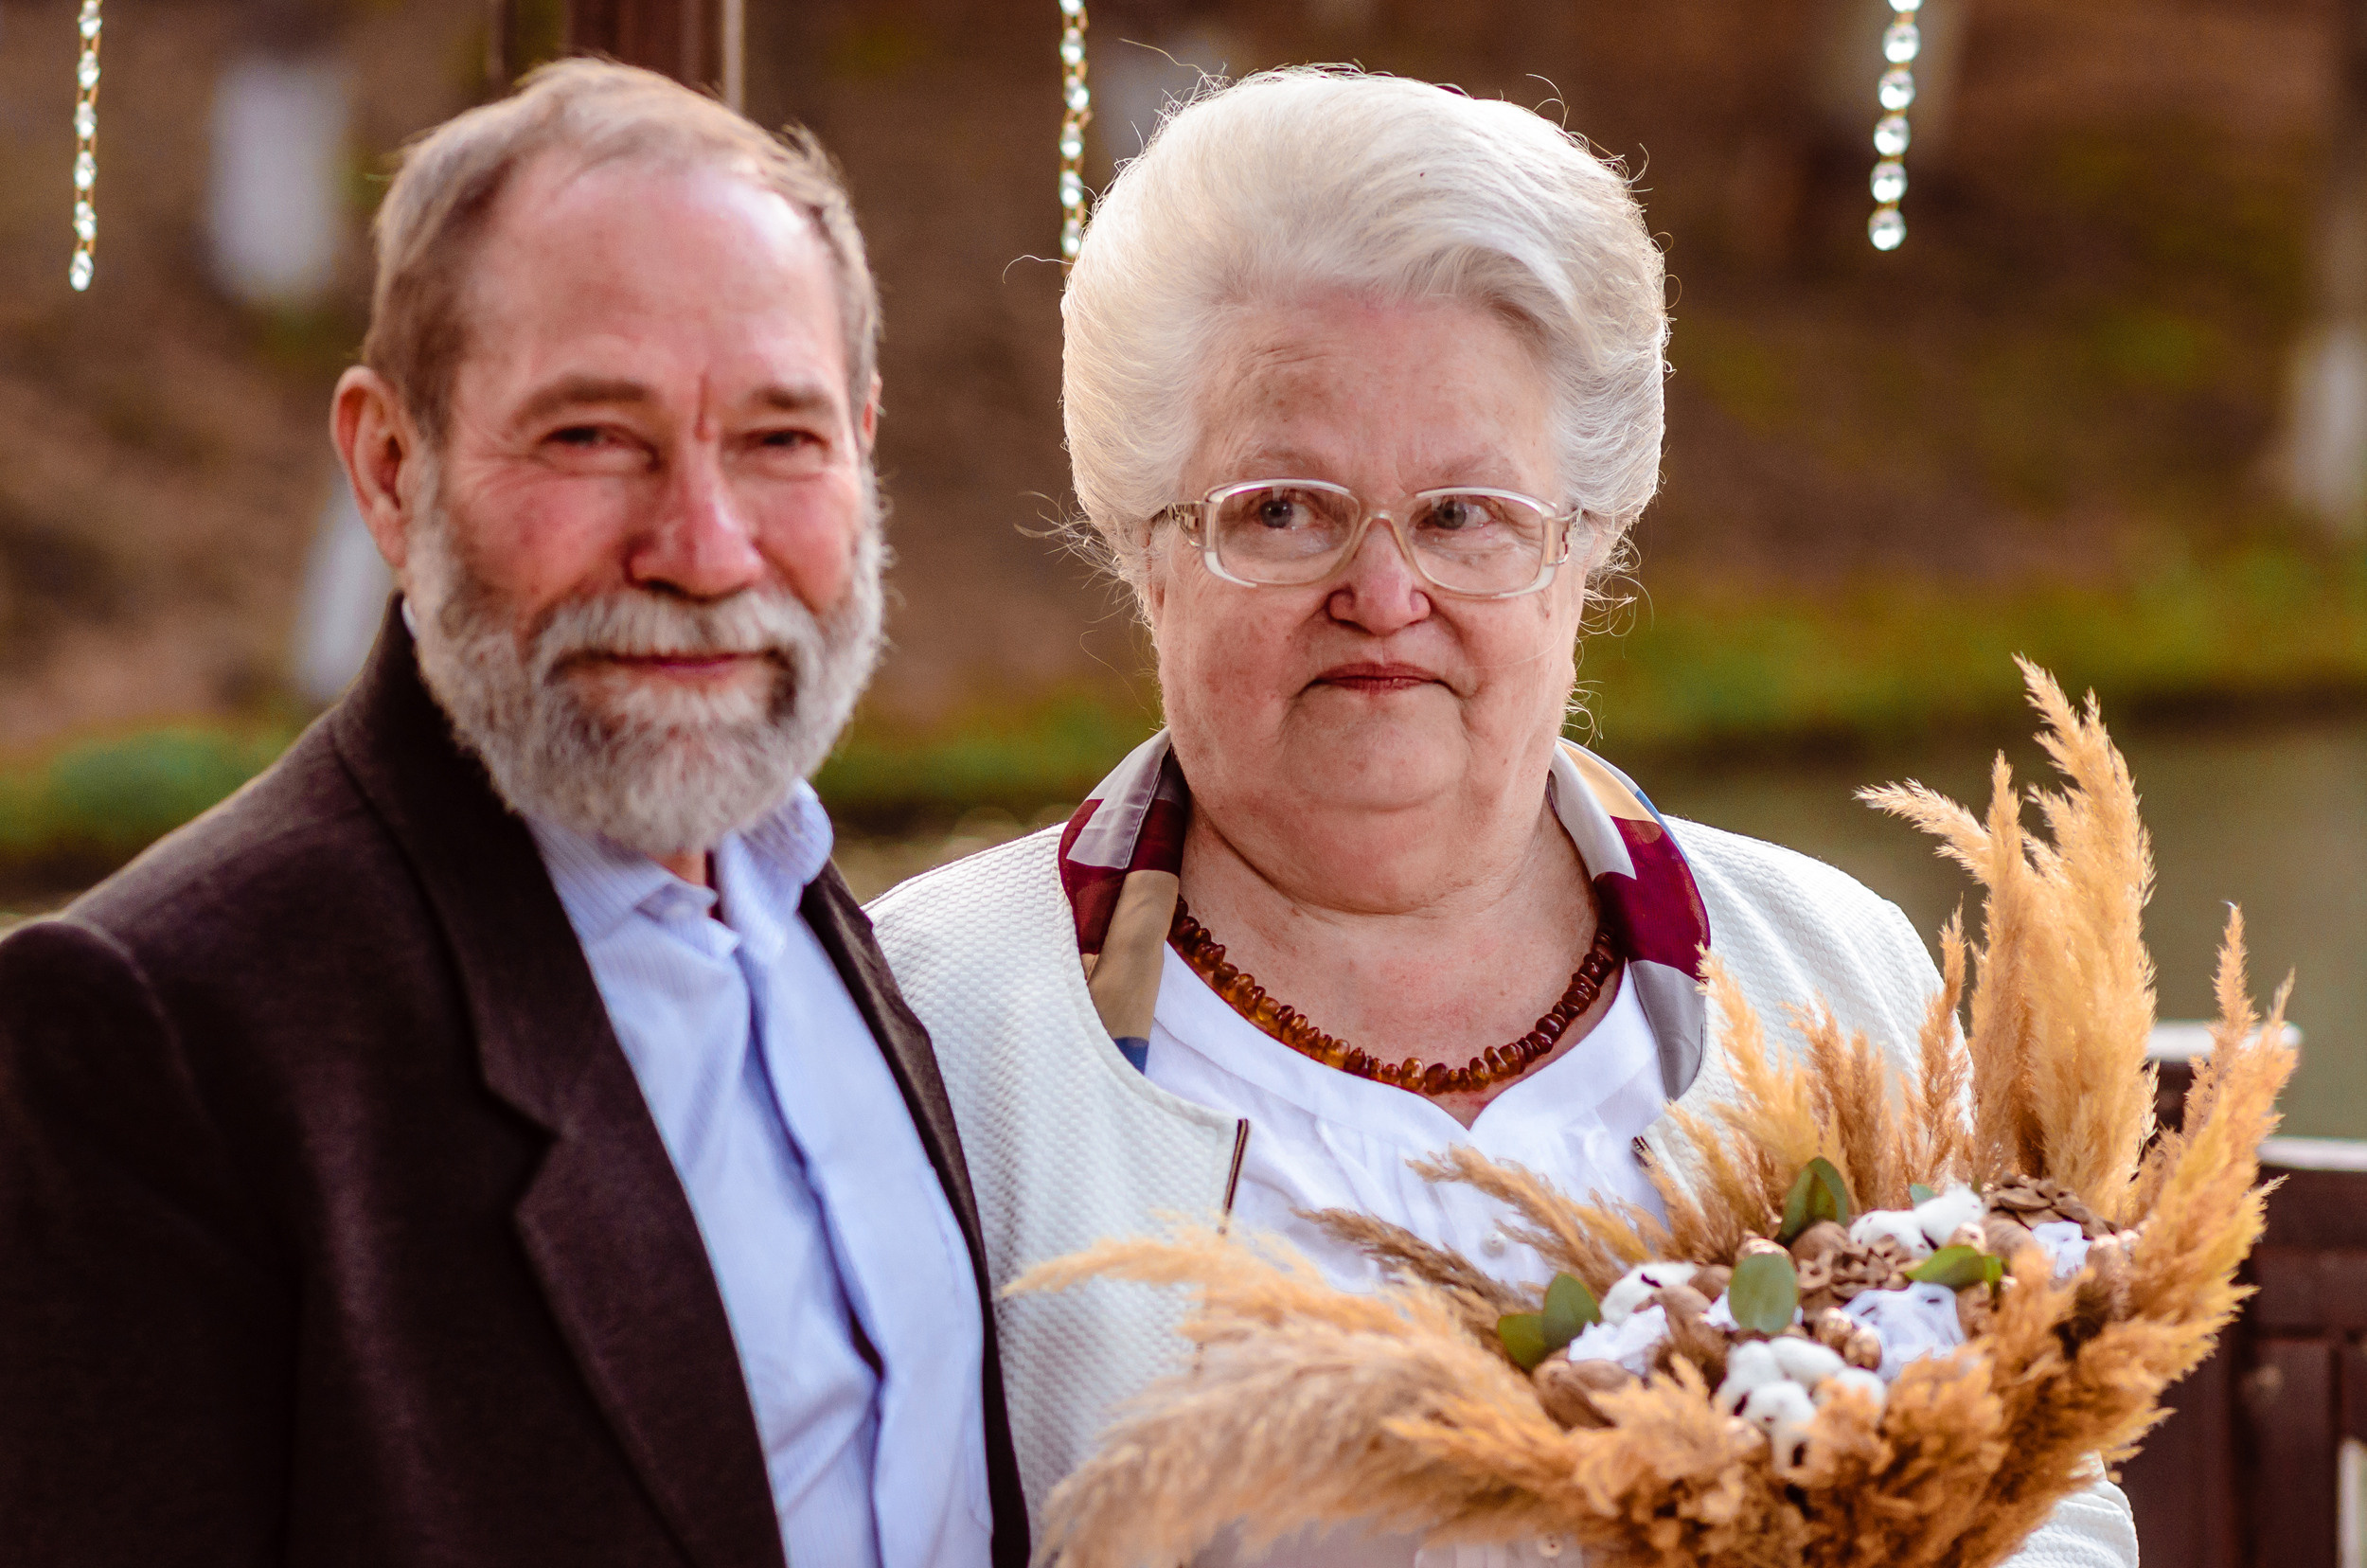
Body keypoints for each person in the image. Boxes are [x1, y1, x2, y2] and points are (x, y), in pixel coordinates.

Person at [868, 68, 2138, 1567]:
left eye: (1467, 515)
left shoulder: (1835, 976)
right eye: (1284, 510)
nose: (1384, 596)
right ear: (1146, 544)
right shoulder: (927, 1027)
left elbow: (2053, 1509)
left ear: (1585, 549)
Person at [0, 61, 1025, 1568]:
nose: (701, 546)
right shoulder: (151, 1037)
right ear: (390, 469)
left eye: (779, 438)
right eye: (590, 437)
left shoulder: (833, 919)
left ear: (862, 451)